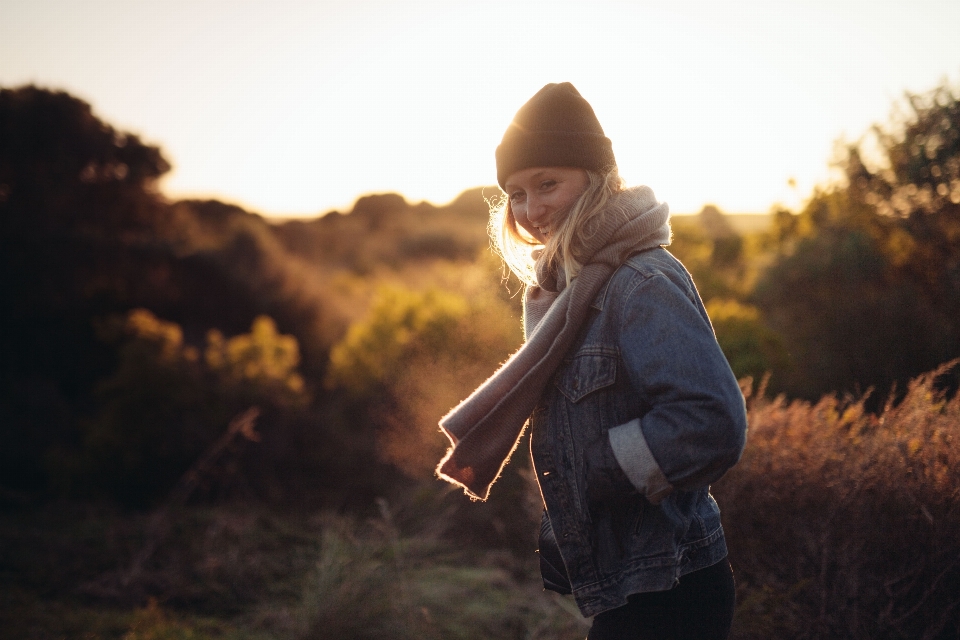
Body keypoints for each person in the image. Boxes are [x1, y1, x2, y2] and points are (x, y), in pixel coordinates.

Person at [436, 82, 748, 640]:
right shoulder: (567, 290)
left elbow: (711, 421)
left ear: (597, 177)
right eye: (517, 193)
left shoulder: (641, 280)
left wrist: (594, 475)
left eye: (547, 184)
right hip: (633, 583)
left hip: (675, 587)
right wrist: (571, 525)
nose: (531, 209)